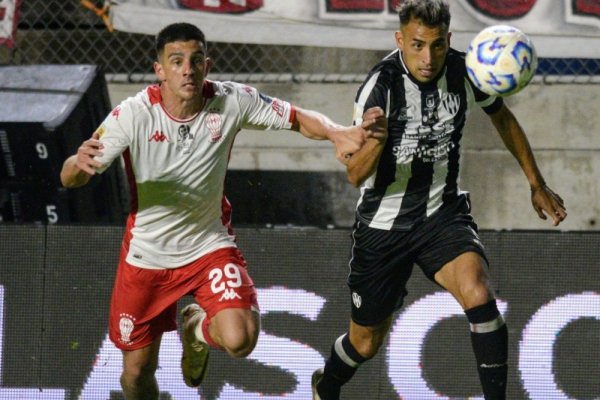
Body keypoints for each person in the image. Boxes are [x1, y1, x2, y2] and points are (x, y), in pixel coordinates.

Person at [60, 22, 382, 399]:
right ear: (159, 70)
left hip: (207, 247)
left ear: (207, 65)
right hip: (146, 259)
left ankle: (196, 330)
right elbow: (71, 177)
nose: (187, 69)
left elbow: (296, 117)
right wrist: (75, 166)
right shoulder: (133, 114)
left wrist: (336, 132)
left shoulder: (230, 100)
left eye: (196, 60)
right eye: (176, 61)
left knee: (240, 337)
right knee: (136, 374)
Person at [311, 1, 567, 399]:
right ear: (400, 41)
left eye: (436, 46)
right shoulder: (381, 87)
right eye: (417, 46)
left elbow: (501, 116)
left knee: (479, 294)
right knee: (364, 342)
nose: (427, 58)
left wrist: (536, 182)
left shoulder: (465, 70)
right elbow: (355, 174)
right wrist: (377, 139)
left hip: (440, 213)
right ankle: (325, 387)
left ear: (449, 40)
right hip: (384, 226)